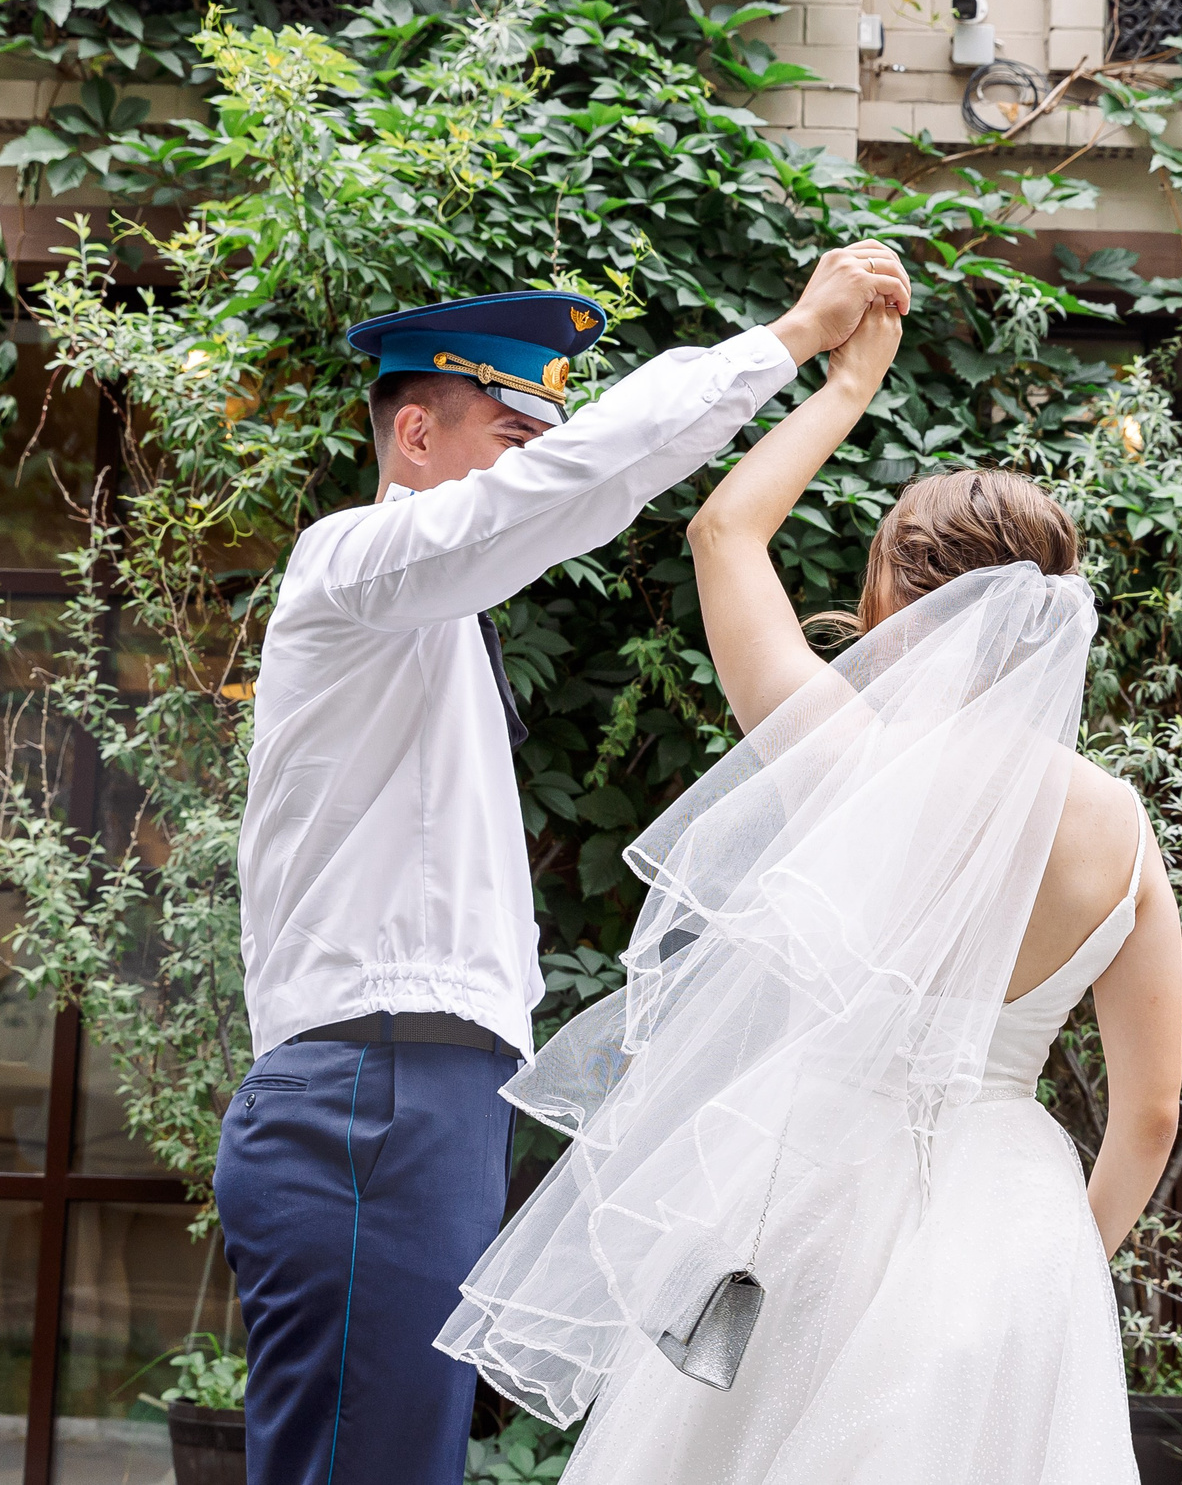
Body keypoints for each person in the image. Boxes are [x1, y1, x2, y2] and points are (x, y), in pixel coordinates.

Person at [438, 300, 1182, 1482]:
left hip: (819, 1208)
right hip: (1018, 1221)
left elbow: (727, 533)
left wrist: (844, 385)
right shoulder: (1123, 830)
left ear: (904, 595)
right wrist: (1052, 1274)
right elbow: (1148, 1115)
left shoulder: (848, 760)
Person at [215, 246, 914, 1485]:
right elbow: (576, 486)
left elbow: (577, 487)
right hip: (373, 1089)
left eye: (546, 429)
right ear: (415, 431)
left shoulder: (424, 614)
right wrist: (792, 339)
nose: (536, 454)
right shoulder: (348, 566)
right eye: (510, 427)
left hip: (410, 1093)